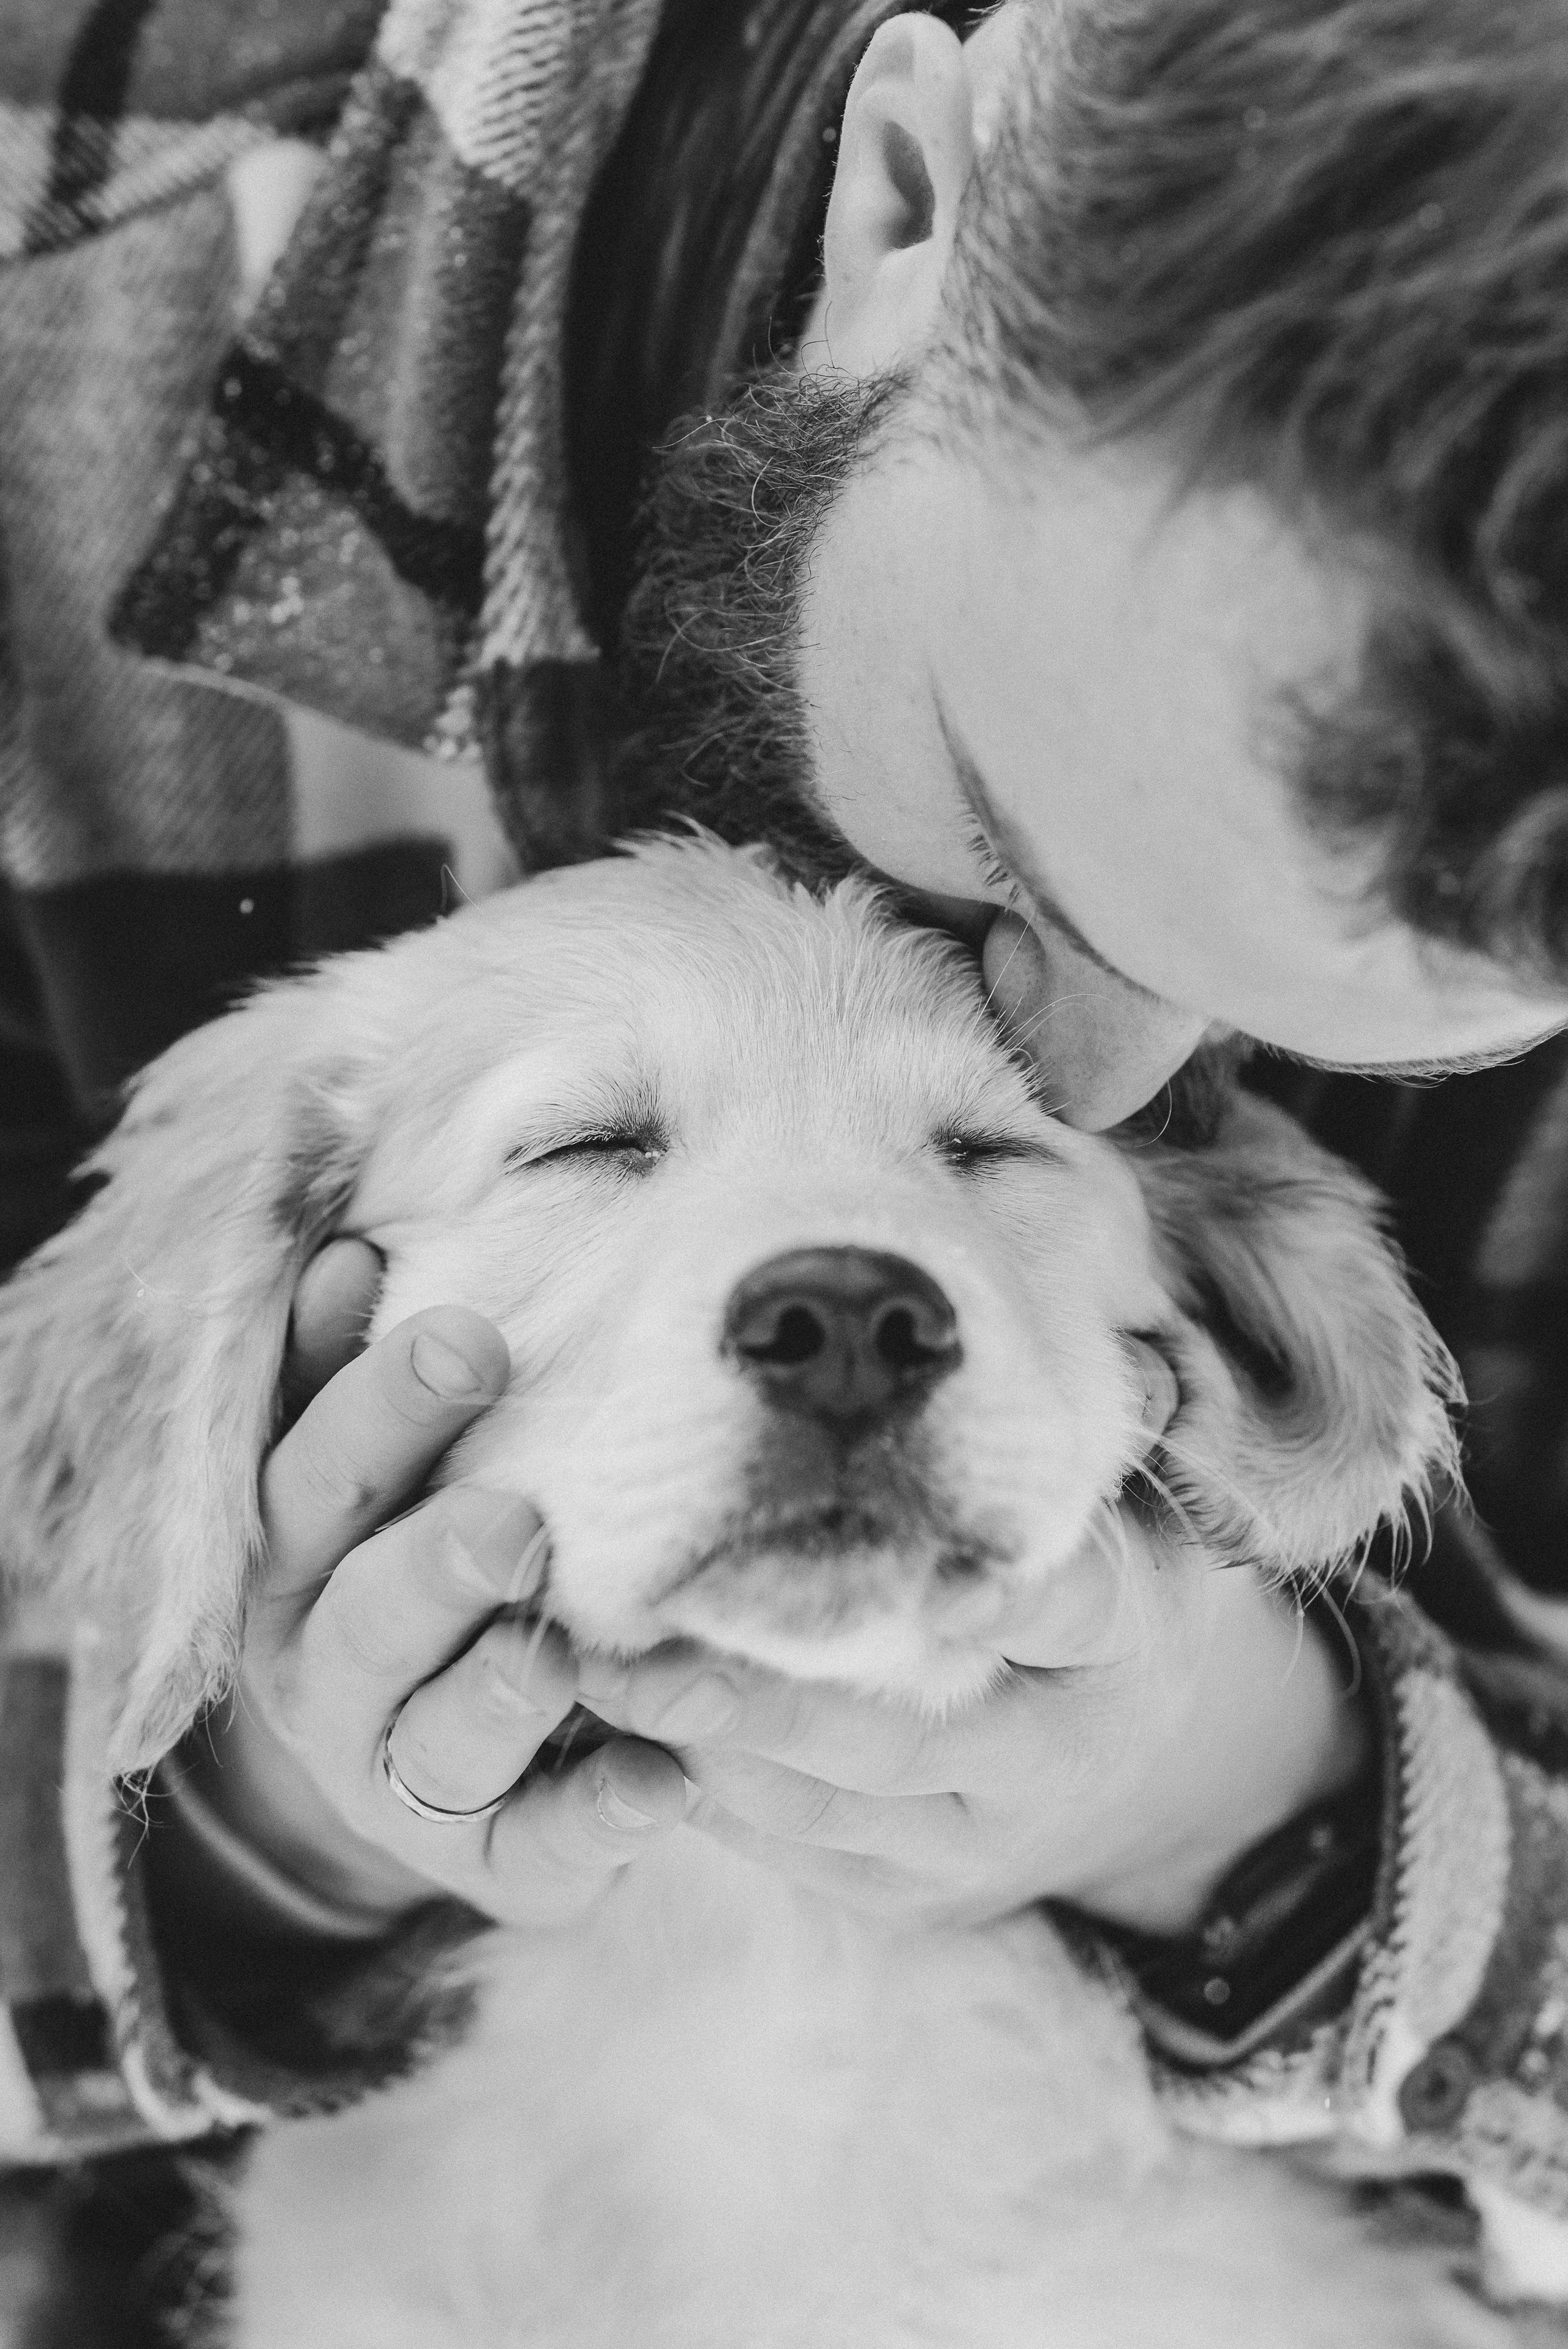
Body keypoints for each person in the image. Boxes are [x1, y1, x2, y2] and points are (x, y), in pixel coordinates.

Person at [5, 0, 1568, 2323]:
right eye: (1013, 842)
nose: (1104, 1072)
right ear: (909, 204)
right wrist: (248, 1818)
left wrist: (1254, 1812)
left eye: (1280, 1027)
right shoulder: (60, 310)